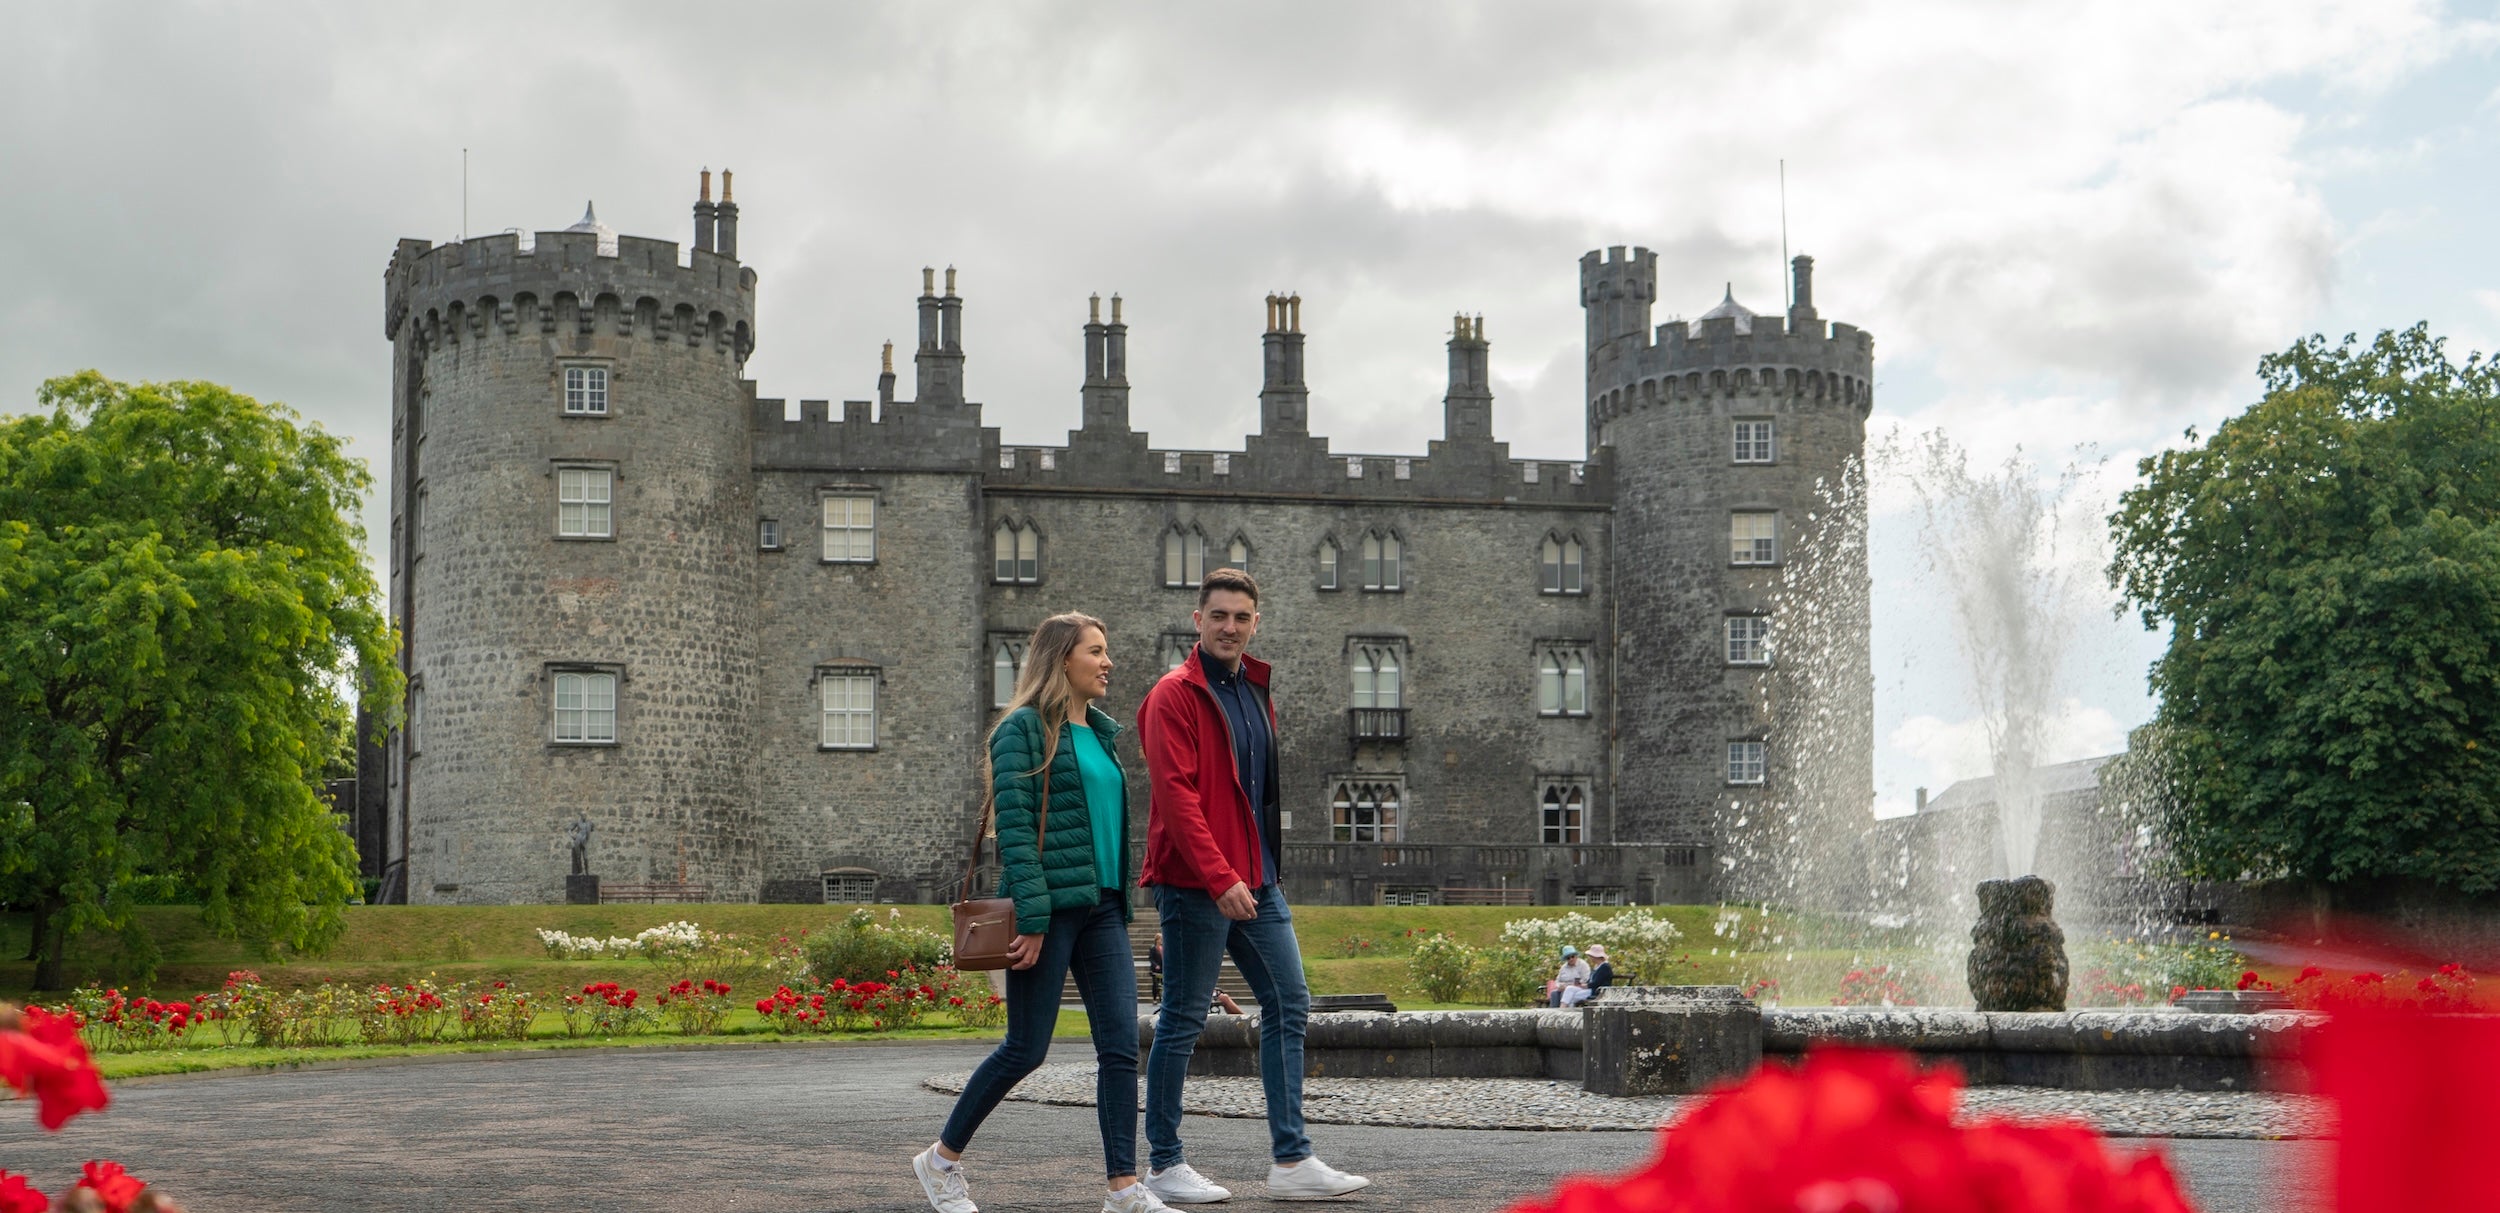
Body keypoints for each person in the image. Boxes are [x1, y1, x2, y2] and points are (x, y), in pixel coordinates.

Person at [915, 613, 1168, 1213]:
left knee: (1118, 1048)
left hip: (1105, 907)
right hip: (1050, 909)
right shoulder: (1022, 730)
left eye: (1107, 651)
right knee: (1026, 1049)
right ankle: (940, 1161)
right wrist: (1031, 914)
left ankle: (1123, 1188)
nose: (1108, 663)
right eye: (1096, 652)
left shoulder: (1102, 733)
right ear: (1061, 659)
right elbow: (1017, 832)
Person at [1137, 568, 1370, 1203]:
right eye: (1219, 616)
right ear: (1198, 620)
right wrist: (1218, 877)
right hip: (1195, 882)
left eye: (1241, 617)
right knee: (1183, 1017)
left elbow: (1254, 795)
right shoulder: (1173, 694)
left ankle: (1292, 1160)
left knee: (1290, 1002)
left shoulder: (1254, 690)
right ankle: (1164, 1162)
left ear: (1256, 622)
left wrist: (1256, 872)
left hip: (1259, 880)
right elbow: (1178, 798)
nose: (1230, 627)